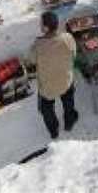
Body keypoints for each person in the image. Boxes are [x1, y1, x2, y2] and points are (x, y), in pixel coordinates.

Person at [28, 11, 78, 140]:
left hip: (48, 87)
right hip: (66, 81)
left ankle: (53, 130)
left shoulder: (38, 45)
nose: (40, 26)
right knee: (68, 100)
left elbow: (31, 60)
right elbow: (74, 55)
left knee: (47, 109)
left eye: (41, 24)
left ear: (45, 27)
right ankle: (69, 122)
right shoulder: (68, 38)